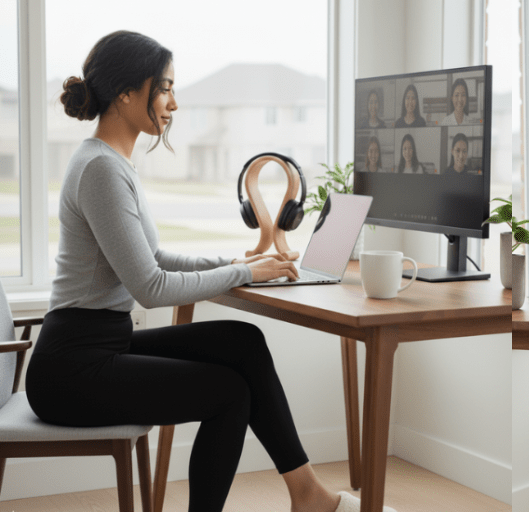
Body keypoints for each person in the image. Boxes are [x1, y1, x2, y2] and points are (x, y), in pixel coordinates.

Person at [24, 31, 397, 512]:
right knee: (228, 394)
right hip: (70, 370)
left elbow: (153, 259)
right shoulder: (100, 170)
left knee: (241, 343)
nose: (173, 104)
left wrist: (238, 263)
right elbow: (152, 287)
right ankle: (310, 499)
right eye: (164, 88)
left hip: (98, 344)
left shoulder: (111, 163)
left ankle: (308, 496)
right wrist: (245, 276)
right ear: (124, 92)